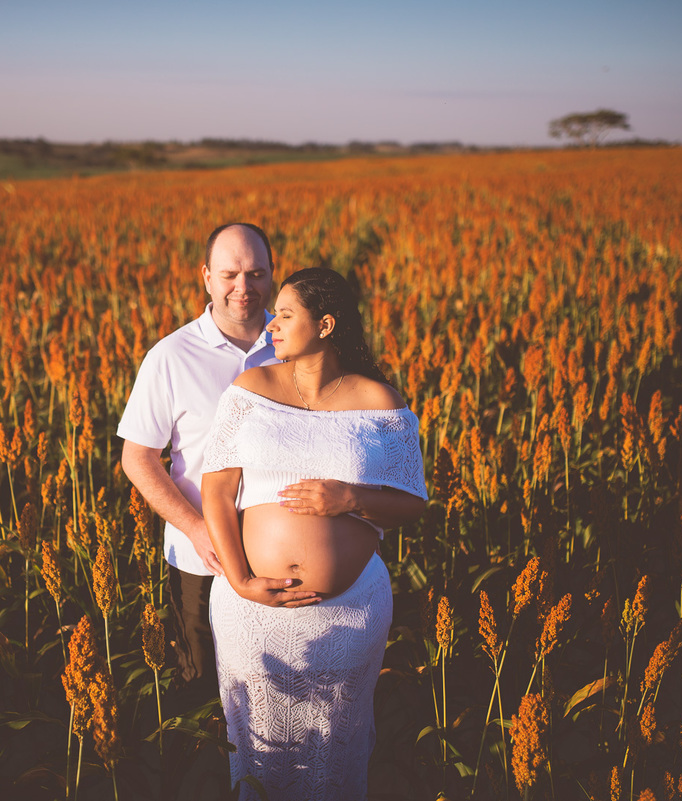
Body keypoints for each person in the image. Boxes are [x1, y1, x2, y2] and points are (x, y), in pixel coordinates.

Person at [200, 267, 427, 801]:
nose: (270, 325)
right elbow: (215, 492)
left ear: (325, 324)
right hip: (254, 609)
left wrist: (350, 498)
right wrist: (240, 581)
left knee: (335, 743)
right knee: (257, 745)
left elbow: (411, 503)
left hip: (347, 613)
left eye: (284, 314)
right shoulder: (249, 390)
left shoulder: (381, 402)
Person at [117, 223, 305, 706]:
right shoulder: (170, 357)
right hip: (201, 561)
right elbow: (137, 458)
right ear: (206, 278)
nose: (243, 287)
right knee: (202, 690)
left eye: (256, 273)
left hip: (283, 554)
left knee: (279, 689)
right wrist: (198, 528)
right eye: (230, 274)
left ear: (272, 276)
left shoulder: (296, 352)